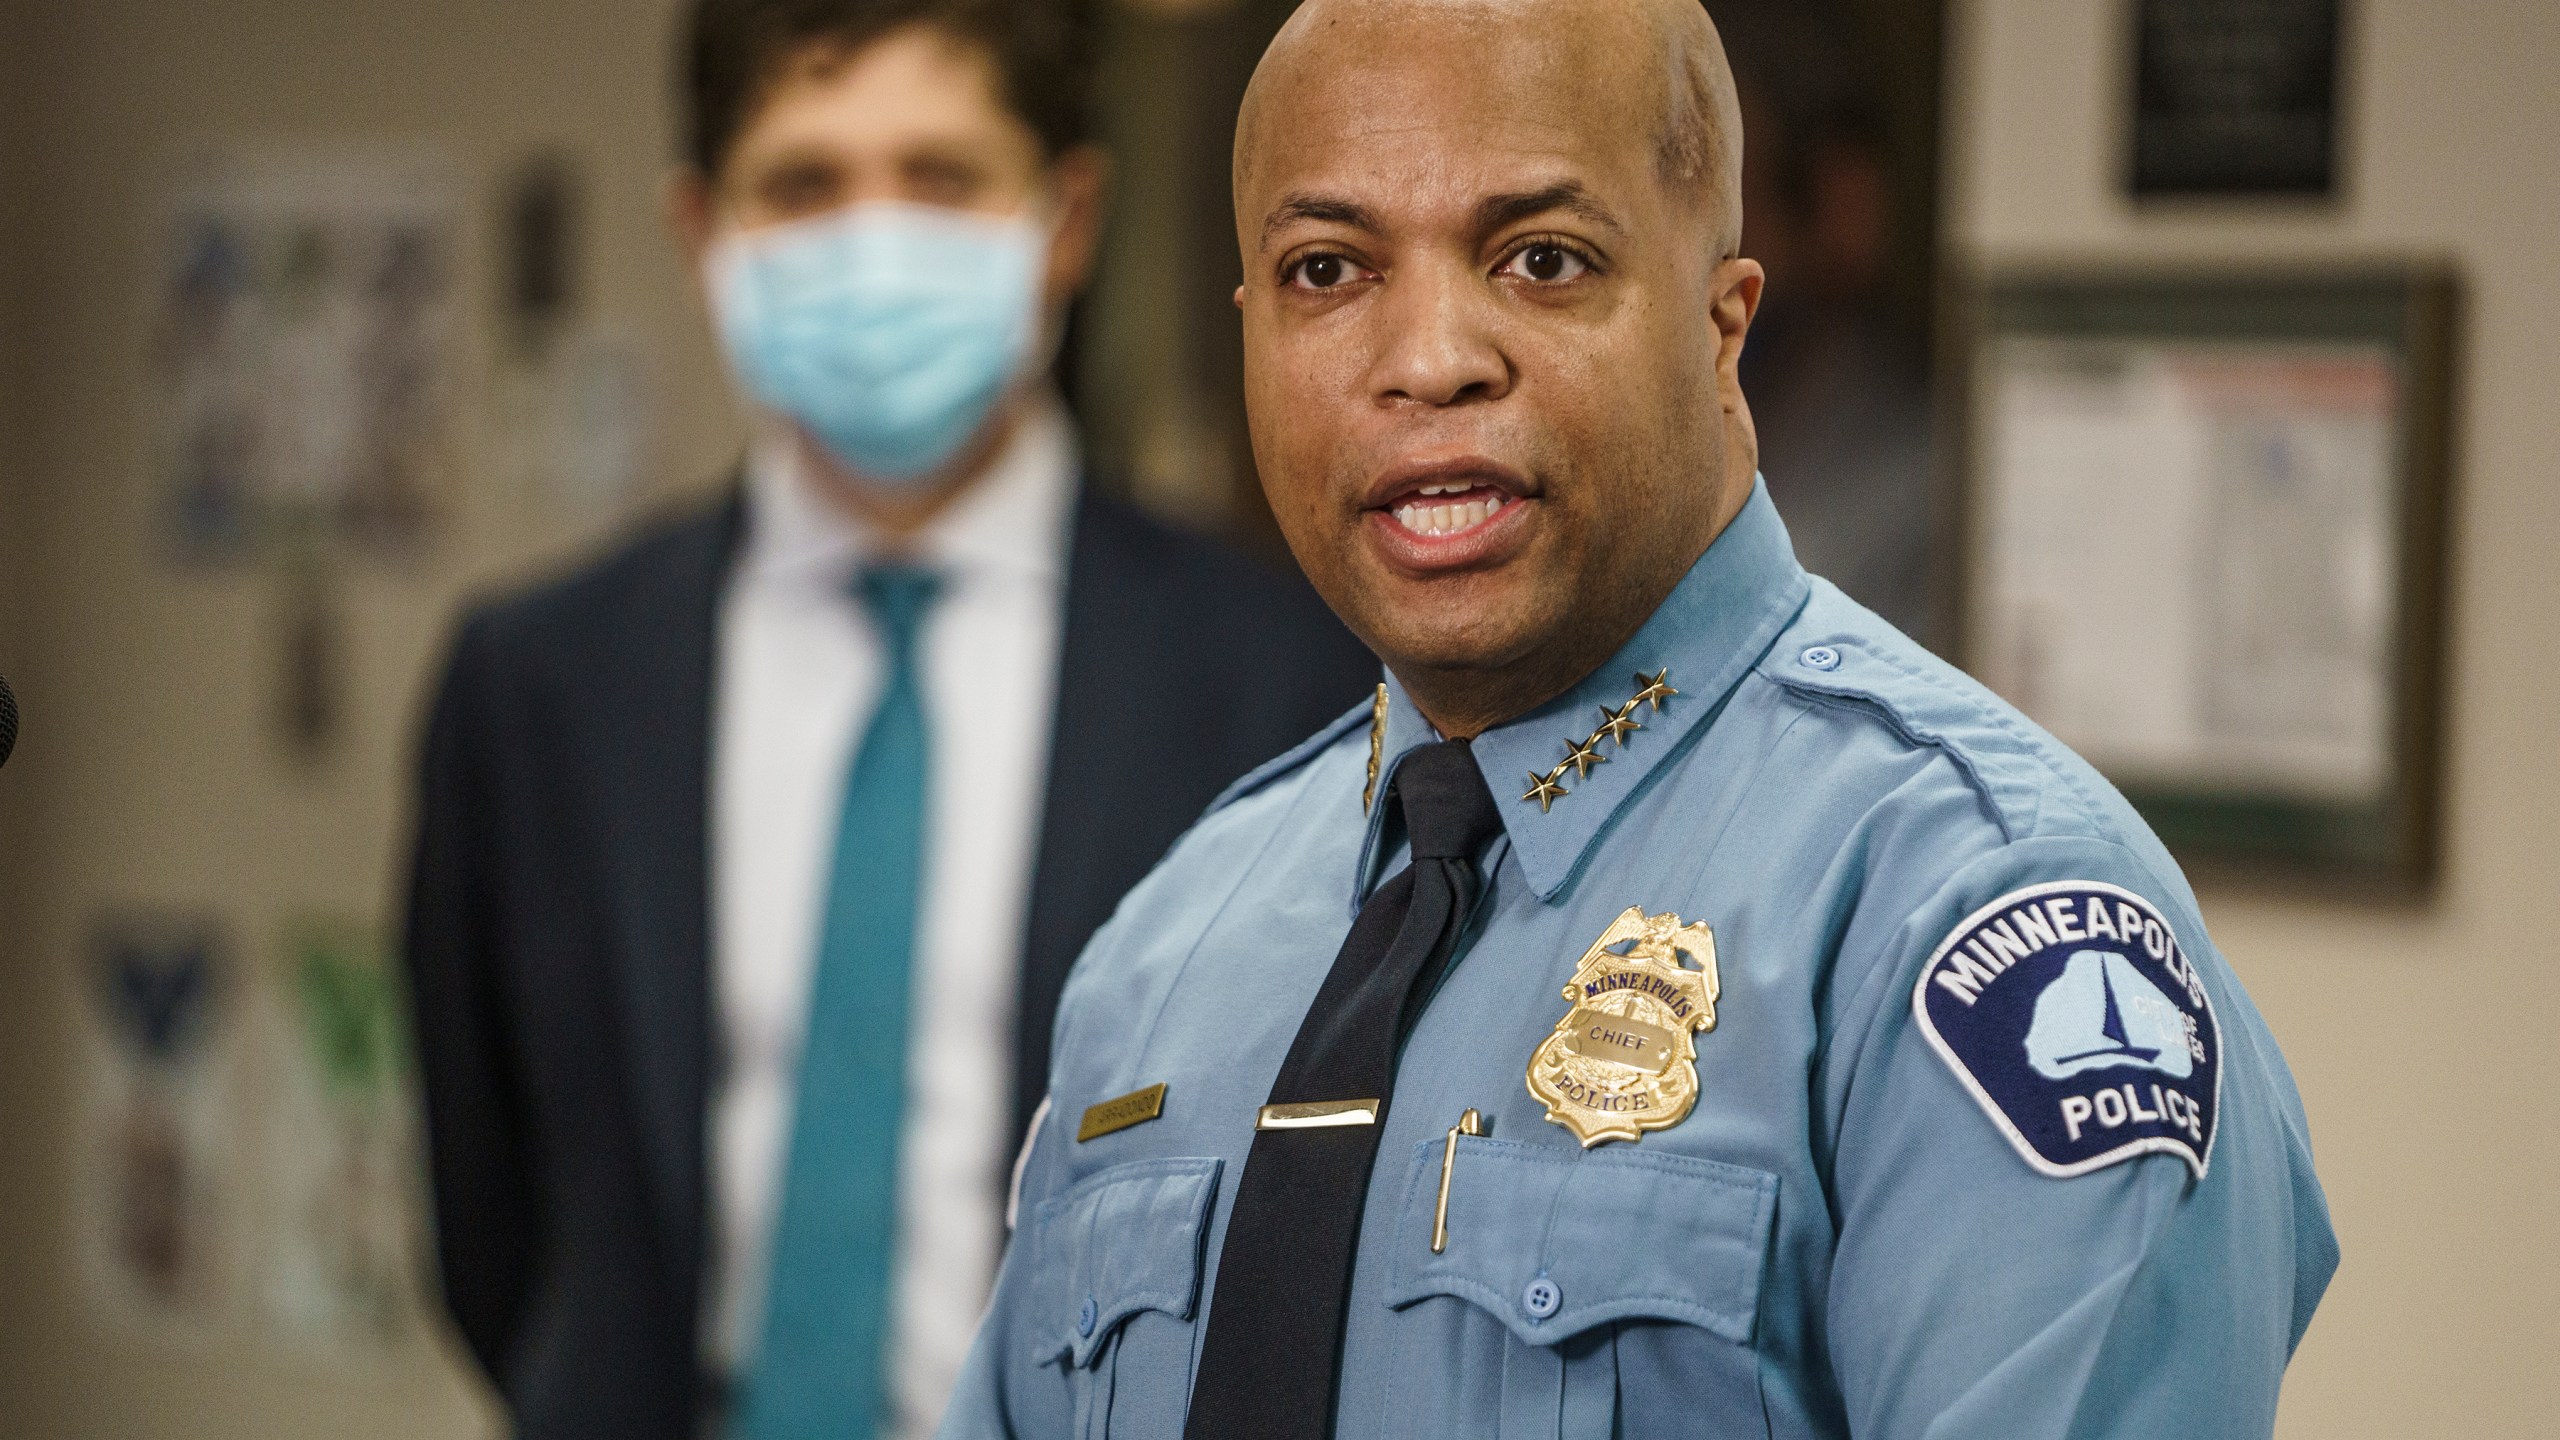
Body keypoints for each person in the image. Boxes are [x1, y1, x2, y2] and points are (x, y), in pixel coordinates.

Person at [941, 1, 2337, 1436]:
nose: (1428, 359)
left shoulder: (1970, 914)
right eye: (1326, 270)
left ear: (1723, 322)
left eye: (1542, 259)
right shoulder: (1165, 953)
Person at [401, 1, 1376, 1437]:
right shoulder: (539, 684)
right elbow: (491, 1218)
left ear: (1067, 218)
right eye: (802, 185)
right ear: (700, 233)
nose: (874, 240)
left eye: (941, 178)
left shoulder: (1285, 681)